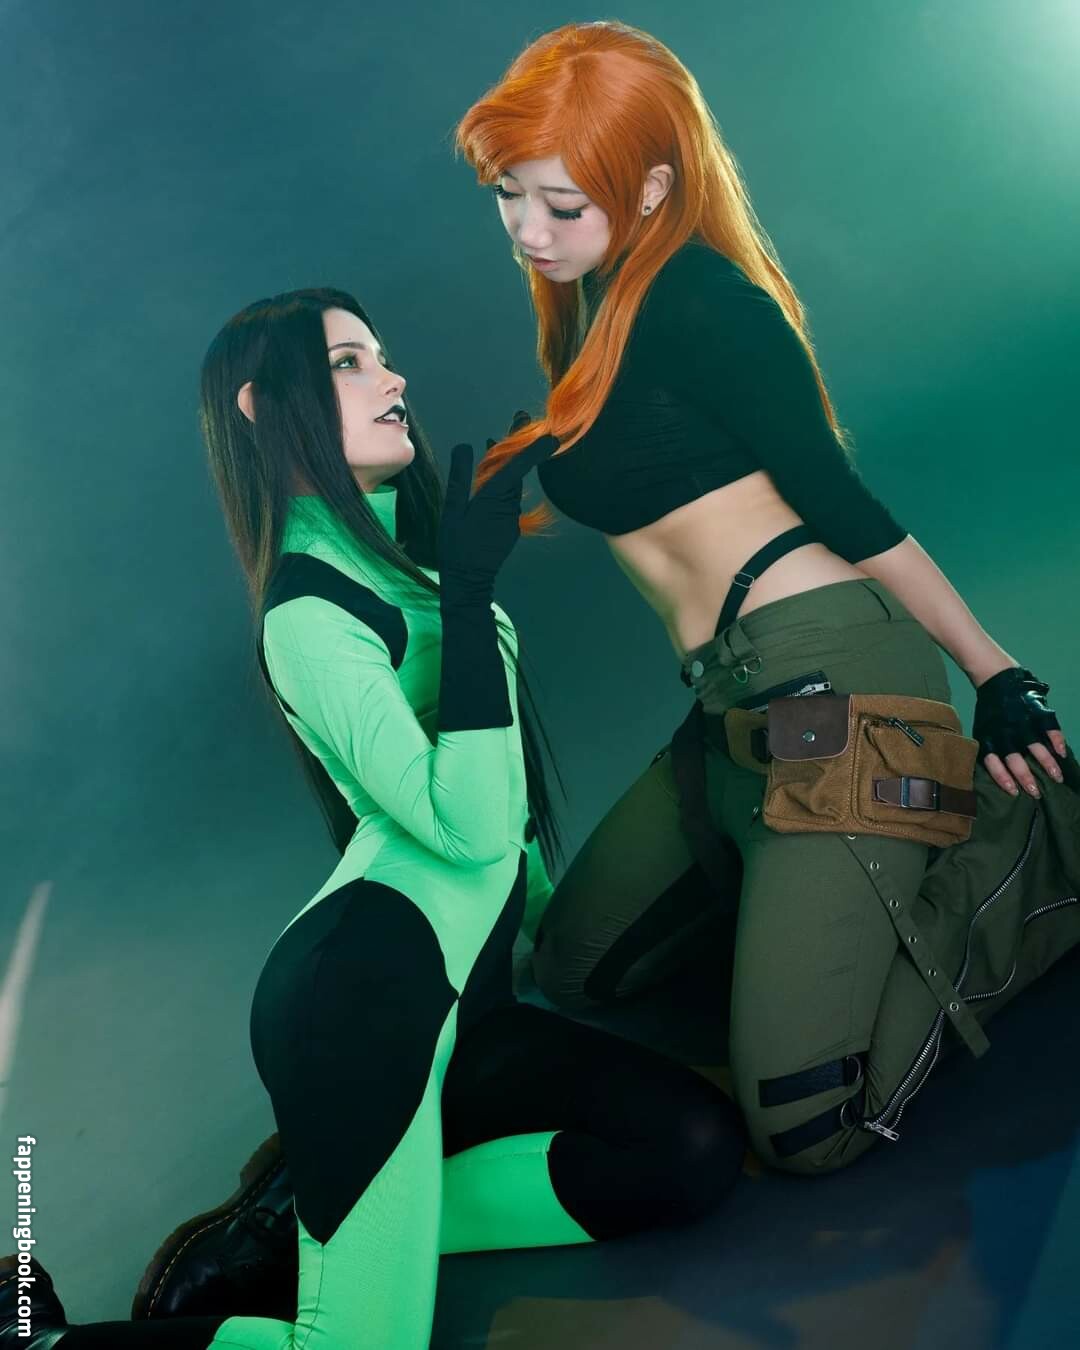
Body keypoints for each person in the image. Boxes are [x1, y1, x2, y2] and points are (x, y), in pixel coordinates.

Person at [0, 288, 745, 1349]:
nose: (393, 379)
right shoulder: (306, 612)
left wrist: (557, 931)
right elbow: (466, 829)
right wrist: (470, 594)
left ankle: (296, 1237)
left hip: (466, 1009)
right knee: (355, 1347)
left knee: (690, 1153)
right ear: (264, 408)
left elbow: (503, 819)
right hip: (360, 1006)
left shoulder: (415, 564)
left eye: (381, 356)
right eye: (349, 361)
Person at [452, 18, 1080, 1173]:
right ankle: (823, 913)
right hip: (732, 713)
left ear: (650, 188)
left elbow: (842, 503)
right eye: (510, 197)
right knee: (578, 969)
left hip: (841, 685)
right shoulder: (601, 306)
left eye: (560, 205)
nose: (530, 232)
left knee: (803, 1134)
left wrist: (994, 671)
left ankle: (1028, 850)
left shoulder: (706, 302)